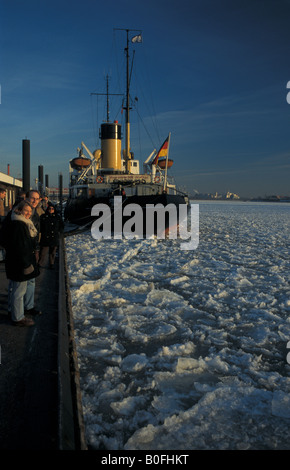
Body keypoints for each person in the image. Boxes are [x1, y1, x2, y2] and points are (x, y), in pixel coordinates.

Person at [4, 200, 40, 326]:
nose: (28, 214)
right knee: (19, 292)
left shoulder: (16, 221)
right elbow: (21, 247)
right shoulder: (20, 225)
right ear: (19, 210)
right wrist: (26, 265)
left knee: (15, 289)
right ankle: (18, 318)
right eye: (26, 211)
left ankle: (14, 313)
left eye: (30, 211)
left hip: (15, 262)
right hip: (20, 263)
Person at [39, 204, 63, 268]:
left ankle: (51, 264)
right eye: (49, 209)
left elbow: (61, 225)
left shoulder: (57, 217)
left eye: (52, 209)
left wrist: (59, 231)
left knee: (53, 252)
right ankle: (40, 264)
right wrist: (42, 231)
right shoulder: (43, 217)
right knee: (43, 252)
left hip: (54, 236)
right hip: (45, 237)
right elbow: (40, 226)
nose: (51, 210)